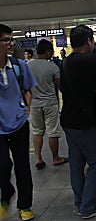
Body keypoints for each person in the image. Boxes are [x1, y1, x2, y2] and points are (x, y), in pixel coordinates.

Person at [60, 25, 96, 219]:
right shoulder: (90, 59)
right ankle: (88, 207)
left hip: (67, 118)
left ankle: (80, 202)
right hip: (84, 120)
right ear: (89, 41)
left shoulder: (65, 62)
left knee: (76, 162)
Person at [0, 24, 36, 221]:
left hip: (19, 124)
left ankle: (25, 205)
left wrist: (26, 108)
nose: (11, 43)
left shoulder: (18, 65)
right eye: (6, 40)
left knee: (22, 166)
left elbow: (28, 90)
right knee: (3, 165)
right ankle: (6, 195)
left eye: (11, 39)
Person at [27, 39, 68, 170]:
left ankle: (38, 158)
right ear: (47, 52)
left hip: (34, 104)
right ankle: (55, 158)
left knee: (37, 131)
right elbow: (60, 85)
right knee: (52, 132)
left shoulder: (28, 65)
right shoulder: (52, 67)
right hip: (50, 103)